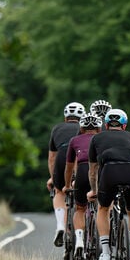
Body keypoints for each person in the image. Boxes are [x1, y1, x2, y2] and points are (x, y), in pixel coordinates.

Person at [86, 108, 130, 260]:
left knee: (103, 208)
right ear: (124, 126)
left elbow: (93, 170)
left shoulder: (97, 138)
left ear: (105, 125)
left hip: (109, 173)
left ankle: (105, 253)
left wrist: (94, 191)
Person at [63, 114, 102, 260]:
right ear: (99, 128)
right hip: (99, 172)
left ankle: (79, 239)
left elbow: (68, 168)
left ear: (82, 127)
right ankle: (102, 237)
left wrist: (67, 185)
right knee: (102, 207)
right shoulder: (101, 138)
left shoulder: (74, 140)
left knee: (80, 208)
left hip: (81, 172)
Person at [47, 101, 86, 246]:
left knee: (59, 191)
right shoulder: (84, 129)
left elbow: (52, 157)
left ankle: (60, 226)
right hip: (80, 158)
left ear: (65, 117)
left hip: (62, 157)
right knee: (82, 197)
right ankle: (81, 233)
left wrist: (53, 177)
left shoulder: (57, 128)